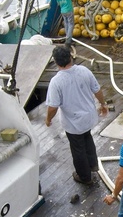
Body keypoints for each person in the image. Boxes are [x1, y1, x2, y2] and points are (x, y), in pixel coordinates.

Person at [45, 45, 108, 184]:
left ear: (56, 62)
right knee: (87, 138)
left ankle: (84, 177)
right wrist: (103, 104)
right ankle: (93, 165)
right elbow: (97, 90)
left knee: (77, 149)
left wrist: (48, 119)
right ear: (70, 57)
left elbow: (53, 106)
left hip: (73, 123)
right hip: (89, 118)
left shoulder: (56, 82)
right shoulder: (84, 70)